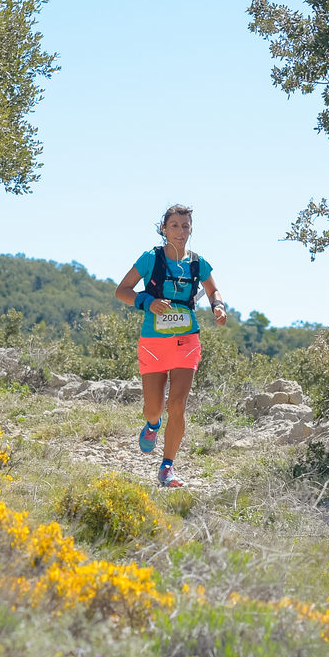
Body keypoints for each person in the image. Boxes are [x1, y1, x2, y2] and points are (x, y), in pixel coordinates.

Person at [115, 205, 227, 487]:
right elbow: (122, 291)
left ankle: (167, 467)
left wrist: (218, 306)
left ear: (191, 229)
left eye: (185, 226)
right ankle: (152, 425)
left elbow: (213, 290)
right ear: (164, 229)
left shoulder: (197, 262)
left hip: (186, 341)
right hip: (153, 342)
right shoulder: (151, 258)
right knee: (154, 408)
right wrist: (148, 302)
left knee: (177, 405)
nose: (180, 231)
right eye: (174, 225)